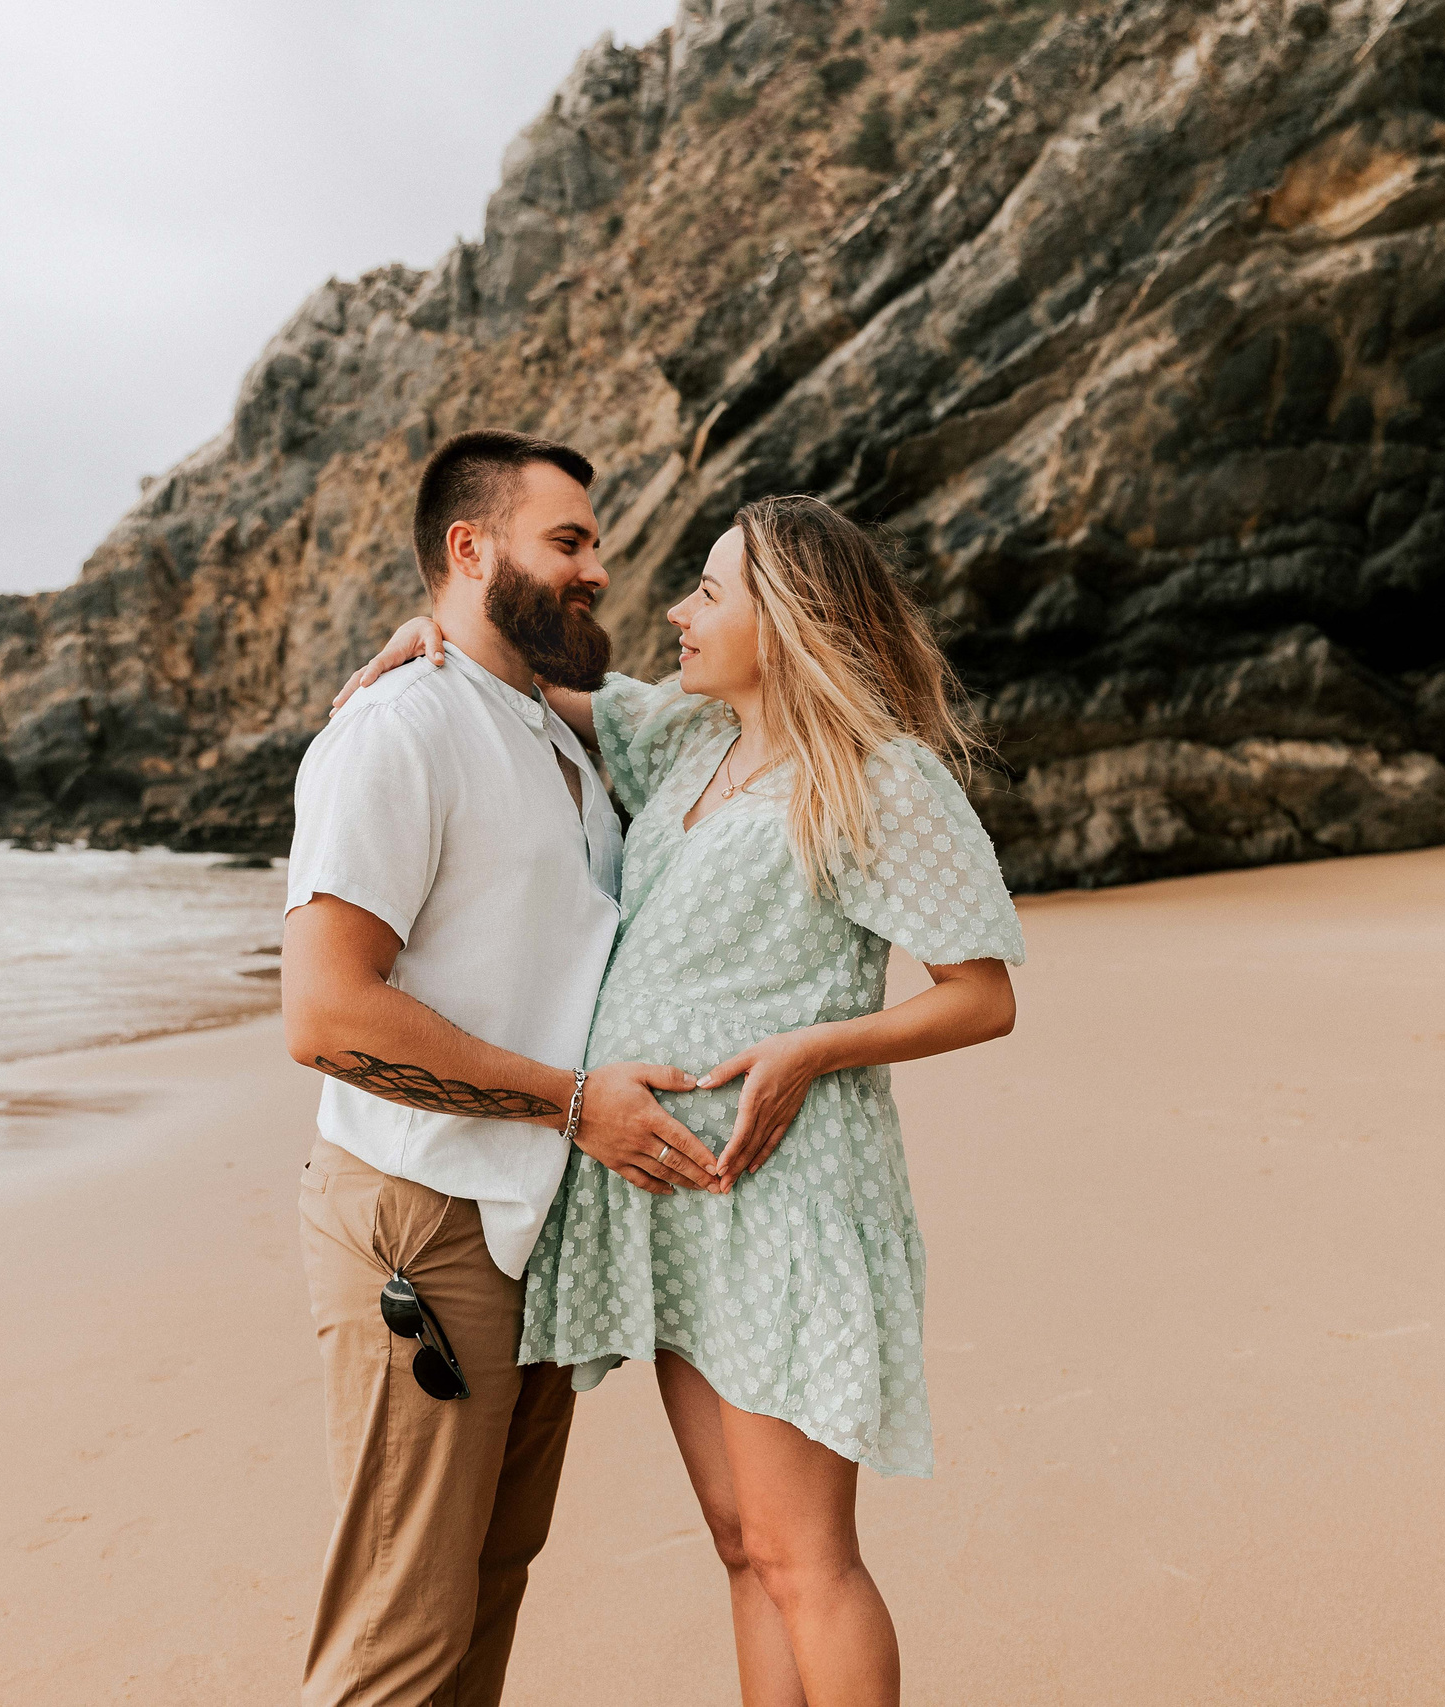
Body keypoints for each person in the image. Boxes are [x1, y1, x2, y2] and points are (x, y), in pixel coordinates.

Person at [335, 493, 1025, 1707]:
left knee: (807, 1557)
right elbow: (511, 689)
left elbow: (978, 996)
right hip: (670, 1198)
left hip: (784, 1199)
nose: (673, 609)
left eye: (709, 592)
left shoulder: (875, 777)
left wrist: (813, 1047)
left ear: (793, 619)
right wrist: (424, 637)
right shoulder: (682, 740)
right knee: (740, 1543)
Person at [278, 428, 730, 1707]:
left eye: (598, 545)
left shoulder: (565, 734)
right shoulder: (398, 730)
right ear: (470, 550)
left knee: (486, 1587)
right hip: (420, 1221)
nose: (598, 571)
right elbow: (325, 1014)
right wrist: (573, 1104)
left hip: (533, 1223)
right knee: (401, 1628)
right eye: (569, 542)